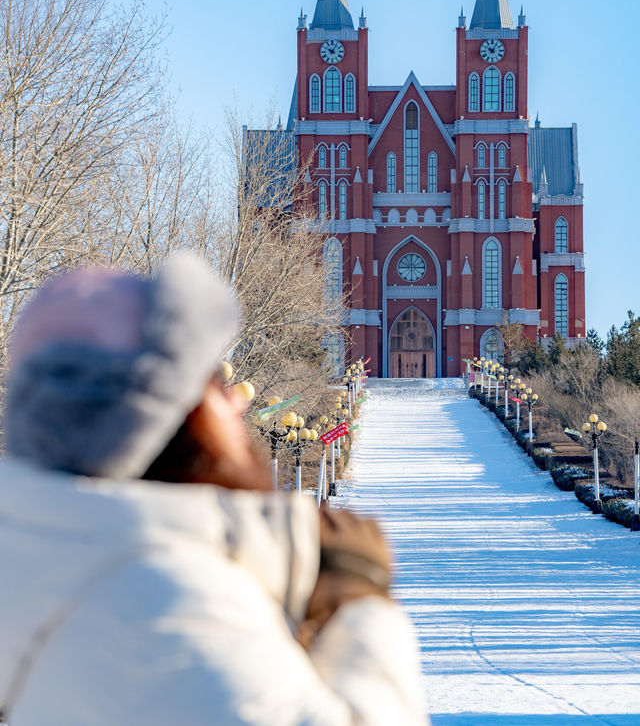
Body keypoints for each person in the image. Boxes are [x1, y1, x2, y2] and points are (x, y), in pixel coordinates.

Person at [0, 253, 427, 725]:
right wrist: (358, 602)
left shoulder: (49, 565)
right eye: (214, 384)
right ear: (170, 420)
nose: (239, 404)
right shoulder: (174, 601)